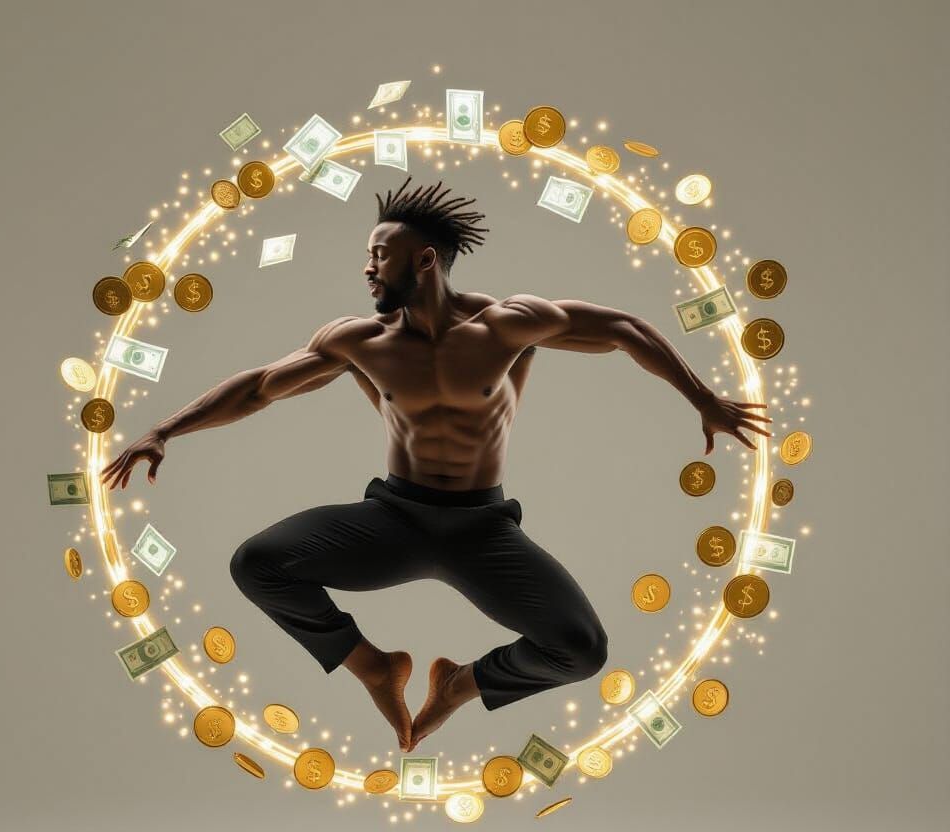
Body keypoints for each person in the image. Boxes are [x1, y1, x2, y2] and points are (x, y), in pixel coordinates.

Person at [101, 176, 771, 753]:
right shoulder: (358, 340)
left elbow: (624, 329)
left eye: (378, 255)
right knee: (257, 564)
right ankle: (371, 666)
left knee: (581, 651)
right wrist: (165, 429)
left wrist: (703, 399)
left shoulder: (507, 325)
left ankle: (461, 682)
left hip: (483, 530)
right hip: (394, 518)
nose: (367, 268)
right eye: (366, 255)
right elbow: (260, 387)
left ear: (423, 260)